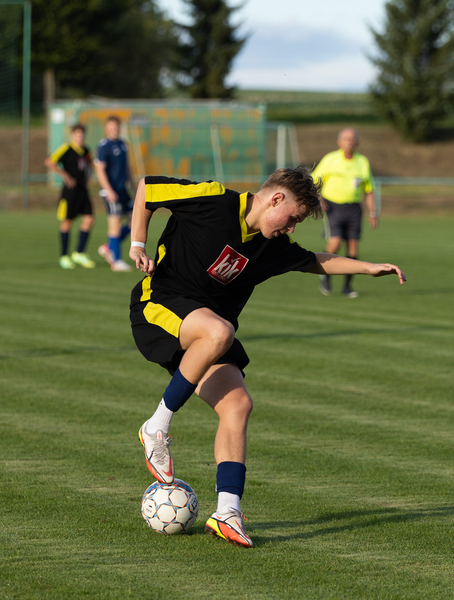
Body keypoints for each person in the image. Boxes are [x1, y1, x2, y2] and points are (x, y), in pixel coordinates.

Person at [129, 167, 406, 548]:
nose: (292, 227)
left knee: (238, 405)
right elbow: (148, 187)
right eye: (293, 218)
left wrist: (367, 267)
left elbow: (314, 260)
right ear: (275, 199)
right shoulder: (214, 199)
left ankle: (227, 512)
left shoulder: (270, 246)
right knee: (220, 331)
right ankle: (156, 428)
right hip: (159, 304)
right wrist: (137, 244)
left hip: (207, 333)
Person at [312, 127, 378, 298]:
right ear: (339, 142)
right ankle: (324, 273)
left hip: (354, 208)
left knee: (353, 247)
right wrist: (319, 198)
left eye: (353, 139)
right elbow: (314, 181)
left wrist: (373, 213)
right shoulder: (331, 159)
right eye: (346, 138)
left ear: (357, 142)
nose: (350, 141)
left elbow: (369, 190)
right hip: (333, 207)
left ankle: (347, 287)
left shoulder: (362, 161)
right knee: (335, 243)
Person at [44, 123, 96, 269]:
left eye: (82, 134)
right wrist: (65, 176)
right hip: (70, 192)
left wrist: (88, 176)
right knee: (67, 222)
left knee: (89, 219)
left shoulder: (86, 150)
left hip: (82, 190)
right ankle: (64, 256)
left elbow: (90, 164)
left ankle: (79, 253)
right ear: (72, 135)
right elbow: (49, 162)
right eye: (77, 134)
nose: (80, 136)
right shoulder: (66, 149)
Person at [95, 115, 135, 272]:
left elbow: (127, 168)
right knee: (115, 224)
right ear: (106, 128)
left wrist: (135, 187)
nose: (114, 129)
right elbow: (100, 170)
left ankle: (109, 247)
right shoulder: (104, 146)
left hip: (123, 190)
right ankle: (116, 261)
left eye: (116, 126)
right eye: (111, 127)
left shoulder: (123, 144)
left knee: (134, 223)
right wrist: (109, 190)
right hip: (111, 191)